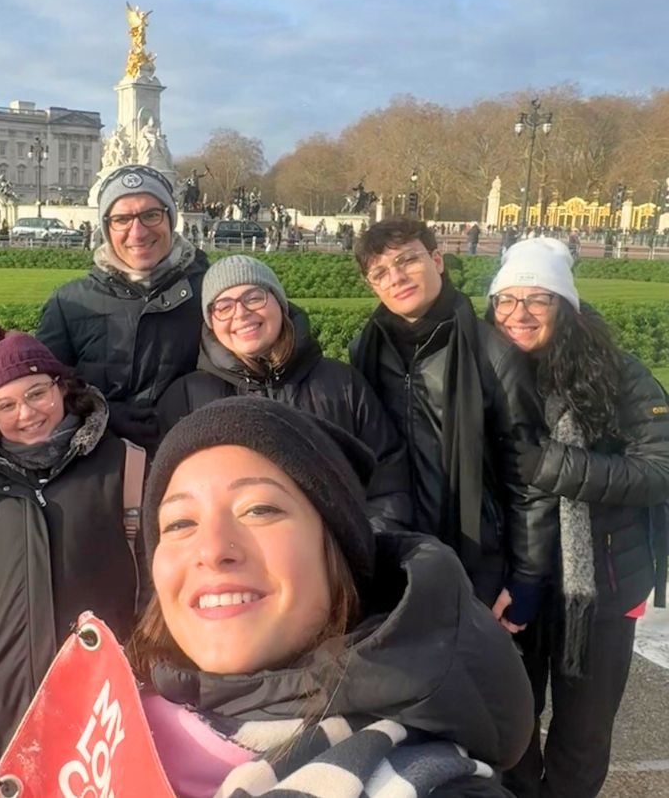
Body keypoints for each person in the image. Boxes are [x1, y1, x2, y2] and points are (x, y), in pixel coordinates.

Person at [126, 398, 535, 797]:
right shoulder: (109, 723)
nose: (212, 549)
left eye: (259, 510)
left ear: (337, 550)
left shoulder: (421, 779)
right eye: (179, 523)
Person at [0, 327, 143, 788]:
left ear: (62, 388)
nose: (26, 413)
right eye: (6, 405)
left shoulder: (127, 467)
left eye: (37, 393)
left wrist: (151, 662)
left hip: (108, 709)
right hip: (9, 712)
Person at [486, 238, 669, 798]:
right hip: (514, 582)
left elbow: (659, 468)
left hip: (601, 588)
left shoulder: (618, 374)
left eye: (537, 299)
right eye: (506, 299)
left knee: (583, 739)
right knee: (510, 730)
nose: (518, 314)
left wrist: (553, 466)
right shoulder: (485, 371)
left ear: (564, 304)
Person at [349, 217, 555, 629]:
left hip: (478, 557)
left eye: (407, 261)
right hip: (397, 552)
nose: (396, 278)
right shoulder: (365, 350)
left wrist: (527, 576)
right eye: (380, 273)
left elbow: (529, 477)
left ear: (438, 260)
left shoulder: (493, 355)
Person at [158, 255, 411, 530]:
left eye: (254, 297)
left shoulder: (342, 383)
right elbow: (171, 503)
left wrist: (365, 542)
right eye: (223, 307)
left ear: (279, 303)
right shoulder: (186, 398)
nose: (240, 313)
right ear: (211, 323)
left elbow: (388, 477)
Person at [36, 164, 208, 446]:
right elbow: (44, 391)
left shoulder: (211, 293)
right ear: (107, 227)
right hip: (98, 459)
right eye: (121, 219)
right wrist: (98, 412)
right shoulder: (68, 303)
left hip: (190, 452)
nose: (137, 232)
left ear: (170, 218)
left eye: (151, 215)